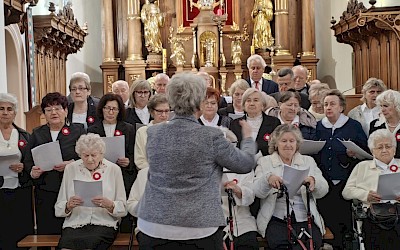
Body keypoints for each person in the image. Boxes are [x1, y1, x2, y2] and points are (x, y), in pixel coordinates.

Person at [135, 72, 256, 249]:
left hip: (154, 223)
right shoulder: (211, 136)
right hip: (198, 228)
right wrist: (248, 139)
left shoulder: (153, 133)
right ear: (199, 102)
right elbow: (245, 164)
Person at [253, 124, 328, 249]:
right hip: (276, 220)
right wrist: (267, 180)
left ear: (297, 144)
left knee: (311, 244)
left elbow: (324, 190)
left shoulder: (308, 161)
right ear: (276, 144)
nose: (288, 145)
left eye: (292, 141)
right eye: (284, 141)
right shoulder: (265, 161)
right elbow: (257, 192)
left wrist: (314, 182)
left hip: (305, 218)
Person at [24, 92, 86, 235]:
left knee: (71, 232)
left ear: (65, 111)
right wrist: (32, 171)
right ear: (44, 113)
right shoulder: (37, 133)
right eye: (48, 110)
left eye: (58, 108)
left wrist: (71, 163)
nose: (53, 113)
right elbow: (27, 160)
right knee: (46, 230)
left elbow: (86, 157)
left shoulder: (78, 131)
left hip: (71, 189)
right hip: (45, 189)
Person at [55, 133, 127, 249]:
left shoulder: (114, 169)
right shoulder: (71, 169)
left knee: (92, 244)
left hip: (103, 223)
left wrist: (110, 205)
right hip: (75, 223)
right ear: (79, 154)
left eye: (94, 155)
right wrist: (68, 205)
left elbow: (123, 208)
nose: (89, 159)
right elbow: (58, 207)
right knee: (65, 247)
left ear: (101, 154)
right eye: (85, 155)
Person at [316, 89, 368, 248]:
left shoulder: (353, 126)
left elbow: (365, 151)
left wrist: (353, 153)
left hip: (345, 178)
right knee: (326, 215)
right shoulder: (319, 126)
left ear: (341, 107)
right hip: (324, 180)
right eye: (325, 104)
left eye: (332, 104)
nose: (328, 107)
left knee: (343, 218)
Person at [342, 129, 400, 249]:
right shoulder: (362, 167)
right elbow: (346, 192)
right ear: (372, 151)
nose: (384, 150)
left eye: (388, 146)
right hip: (374, 215)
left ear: (394, 149)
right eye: (379, 147)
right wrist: (366, 195)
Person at [0, 93, 34, 249]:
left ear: (15, 112)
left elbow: (31, 160)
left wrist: (24, 167)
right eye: (1, 109)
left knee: (19, 230)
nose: (5, 112)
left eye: (9, 109)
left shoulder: (24, 135)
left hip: (20, 189)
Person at [87, 93, 136, 200]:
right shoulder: (92, 130)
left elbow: (133, 152)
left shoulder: (128, 129)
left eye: (114, 109)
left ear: (119, 111)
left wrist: (128, 162)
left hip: (121, 174)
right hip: (99, 173)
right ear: (102, 109)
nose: (110, 112)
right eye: (107, 108)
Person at [230, 88, 281, 156]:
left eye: (256, 100)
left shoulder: (274, 122)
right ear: (244, 105)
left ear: (263, 105)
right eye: (248, 101)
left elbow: (277, 147)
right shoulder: (235, 124)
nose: (252, 103)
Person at [135, 94, 170, 170]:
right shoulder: (142, 132)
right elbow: (139, 161)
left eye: (167, 111)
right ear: (151, 112)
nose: (164, 115)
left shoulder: (174, 130)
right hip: (148, 175)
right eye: (159, 111)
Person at [369, 90, 400, 158]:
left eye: (386, 106)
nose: (382, 109)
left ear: (397, 106)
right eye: (381, 106)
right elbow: (371, 149)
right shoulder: (375, 125)